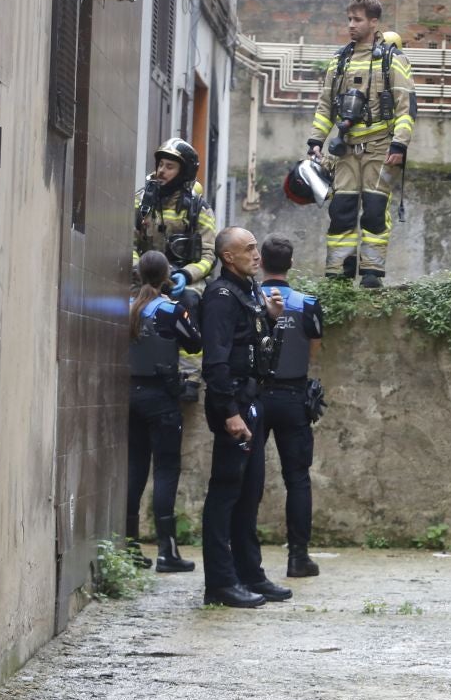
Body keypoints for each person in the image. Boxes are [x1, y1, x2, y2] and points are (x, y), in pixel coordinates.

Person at [199, 226, 292, 608]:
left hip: (252, 400)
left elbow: (251, 341)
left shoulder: (248, 289)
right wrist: (230, 414)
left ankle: (249, 573)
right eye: (248, 249)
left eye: (256, 248)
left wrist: (269, 316)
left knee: (249, 492)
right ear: (228, 257)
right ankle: (220, 583)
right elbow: (216, 361)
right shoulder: (221, 296)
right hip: (233, 406)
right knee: (225, 495)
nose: (257, 255)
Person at [308, 0, 415, 287]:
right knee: (340, 211)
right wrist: (316, 140)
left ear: (373, 21)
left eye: (357, 20)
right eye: (349, 19)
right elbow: (326, 105)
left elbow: (406, 107)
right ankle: (339, 273)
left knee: (375, 212)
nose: (351, 25)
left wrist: (399, 144)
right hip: (345, 150)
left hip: (380, 148)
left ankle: (371, 273)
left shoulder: (392, 60)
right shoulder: (339, 61)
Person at [126, 251, 200, 574]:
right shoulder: (170, 310)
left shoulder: (127, 309)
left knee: (135, 468)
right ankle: (166, 552)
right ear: (166, 274)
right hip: (162, 396)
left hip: (131, 394)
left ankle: (129, 547)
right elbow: (195, 344)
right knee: (166, 470)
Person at [257, 237, 326, 579]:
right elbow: (313, 349)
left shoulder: (248, 299)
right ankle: (298, 557)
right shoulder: (308, 304)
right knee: (297, 478)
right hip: (293, 395)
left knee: (247, 478)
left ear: (260, 263)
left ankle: (246, 555)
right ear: (291, 263)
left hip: (254, 396)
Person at [133, 138, 216, 293]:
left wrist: (186, 275)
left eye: (169, 167)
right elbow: (128, 245)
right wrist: (140, 271)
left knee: (189, 300)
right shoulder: (140, 202)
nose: (161, 171)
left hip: (184, 282)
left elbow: (208, 256)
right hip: (143, 280)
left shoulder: (199, 209)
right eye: (161, 164)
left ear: (184, 173)